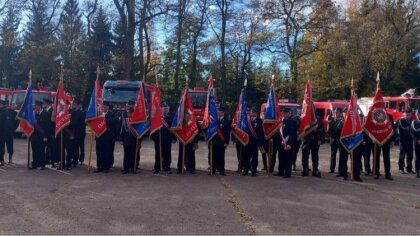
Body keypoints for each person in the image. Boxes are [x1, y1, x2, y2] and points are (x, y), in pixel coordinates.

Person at [151, 102, 176, 174]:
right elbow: (153, 127)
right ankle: (157, 167)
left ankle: (166, 167)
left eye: (167, 109)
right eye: (164, 109)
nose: (165, 110)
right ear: (161, 109)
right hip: (158, 138)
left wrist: (174, 138)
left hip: (168, 138)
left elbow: (174, 128)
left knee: (167, 153)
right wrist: (153, 136)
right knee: (158, 152)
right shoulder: (157, 117)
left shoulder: (172, 117)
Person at [274, 108, 297, 178]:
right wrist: (279, 141)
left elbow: (292, 134)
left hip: (288, 143)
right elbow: (280, 132)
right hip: (281, 142)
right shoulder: (282, 121)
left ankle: (287, 173)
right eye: (283, 113)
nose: (284, 114)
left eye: (285, 113)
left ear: (289, 113)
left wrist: (289, 144)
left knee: (288, 158)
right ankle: (281, 171)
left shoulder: (292, 121)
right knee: (281, 157)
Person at [95, 101, 117, 173]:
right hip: (99, 135)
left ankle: (106, 167)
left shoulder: (112, 114)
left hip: (108, 136)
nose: (103, 107)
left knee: (107, 152)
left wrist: (104, 117)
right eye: (103, 106)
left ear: (107, 107)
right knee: (99, 152)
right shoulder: (98, 114)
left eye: (105, 106)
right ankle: (99, 167)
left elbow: (112, 123)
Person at [372, 115, 395, 181]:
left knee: (386, 157)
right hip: (376, 138)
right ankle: (376, 173)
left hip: (386, 138)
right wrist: (372, 137)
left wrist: (392, 140)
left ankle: (387, 174)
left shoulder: (389, 116)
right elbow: (370, 127)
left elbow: (392, 127)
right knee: (376, 157)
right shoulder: (373, 115)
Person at [210, 106, 230, 176]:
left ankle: (222, 171)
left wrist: (226, 142)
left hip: (222, 142)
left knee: (221, 157)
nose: (219, 113)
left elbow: (228, 132)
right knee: (214, 156)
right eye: (218, 112)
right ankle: (213, 170)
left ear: (223, 112)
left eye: (220, 112)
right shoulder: (215, 120)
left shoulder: (226, 120)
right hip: (215, 141)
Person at [243, 107, 263, 177]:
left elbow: (260, 133)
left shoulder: (260, 121)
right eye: (251, 112)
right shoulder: (247, 120)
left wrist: (259, 144)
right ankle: (246, 169)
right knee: (246, 156)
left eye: (253, 112)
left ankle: (253, 170)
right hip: (247, 141)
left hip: (255, 142)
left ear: (256, 113)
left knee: (254, 157)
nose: (252, 113)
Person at [30, 100, 48, 169]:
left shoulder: (45, 114)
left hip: (41, 136)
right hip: (33, 135)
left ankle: (41, 164)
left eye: (36, 106)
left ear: (40, 106)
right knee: (34, 150)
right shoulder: (33, 114)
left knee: (41, 150)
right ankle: (35, 163)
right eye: (35, 106)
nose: (35, 107)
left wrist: (46, 136)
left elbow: (47, 126)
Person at [120, 107, 137, 174]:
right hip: (126, 140)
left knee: (133, 154)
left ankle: (133, 168)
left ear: (133, 113)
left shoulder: (136, 120)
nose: (128, 114)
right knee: (126, 154)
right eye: (128, 113)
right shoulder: (125, 120)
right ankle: (126, 169)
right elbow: (122, 130)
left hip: (134, 139)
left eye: (130, 113)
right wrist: (121, 139)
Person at [43, 98, 58, 168]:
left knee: (52, 148)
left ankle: (53, 161)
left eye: (44, 103)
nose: (43, 104)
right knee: (48, 147)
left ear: (47, 103)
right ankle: (47, 160)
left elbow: (51, 124)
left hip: (51, 133)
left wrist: (51, 133)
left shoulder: (52, 111)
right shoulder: (46, 110)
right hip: (46, 133)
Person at [328, 108, 344, 173]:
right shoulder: (331, 121)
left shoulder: (342, 122)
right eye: (335, 112)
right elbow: (329, 131)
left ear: (340, 113)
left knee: (341, 156)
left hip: (340, 140)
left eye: (337, 112)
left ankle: (340, 170)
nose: (336, 114)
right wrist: (333, 135)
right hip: (334, 139)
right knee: (333, 155)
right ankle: (332, 169)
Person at [410, 109, 420, 178]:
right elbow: (412, 133)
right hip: (417, 143)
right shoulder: (414, 122)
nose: (418, 116)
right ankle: (417, 171)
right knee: (417, 157)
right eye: (418, 114)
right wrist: (417, 140)